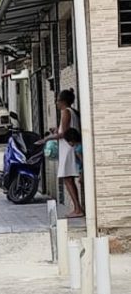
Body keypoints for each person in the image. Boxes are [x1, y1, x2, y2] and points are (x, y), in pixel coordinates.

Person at [37, 89, 83, 218]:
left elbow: (64, 134)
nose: (56, 103)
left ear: (62, 101)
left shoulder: (65, 112)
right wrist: (56, 130)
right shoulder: (72, 112)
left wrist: (47, 138)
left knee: (67, 178)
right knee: (68, 178)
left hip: (67, 148)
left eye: (57, 101)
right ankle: (77, 207)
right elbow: (64, 130)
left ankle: (77, 208)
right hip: (69, 147)